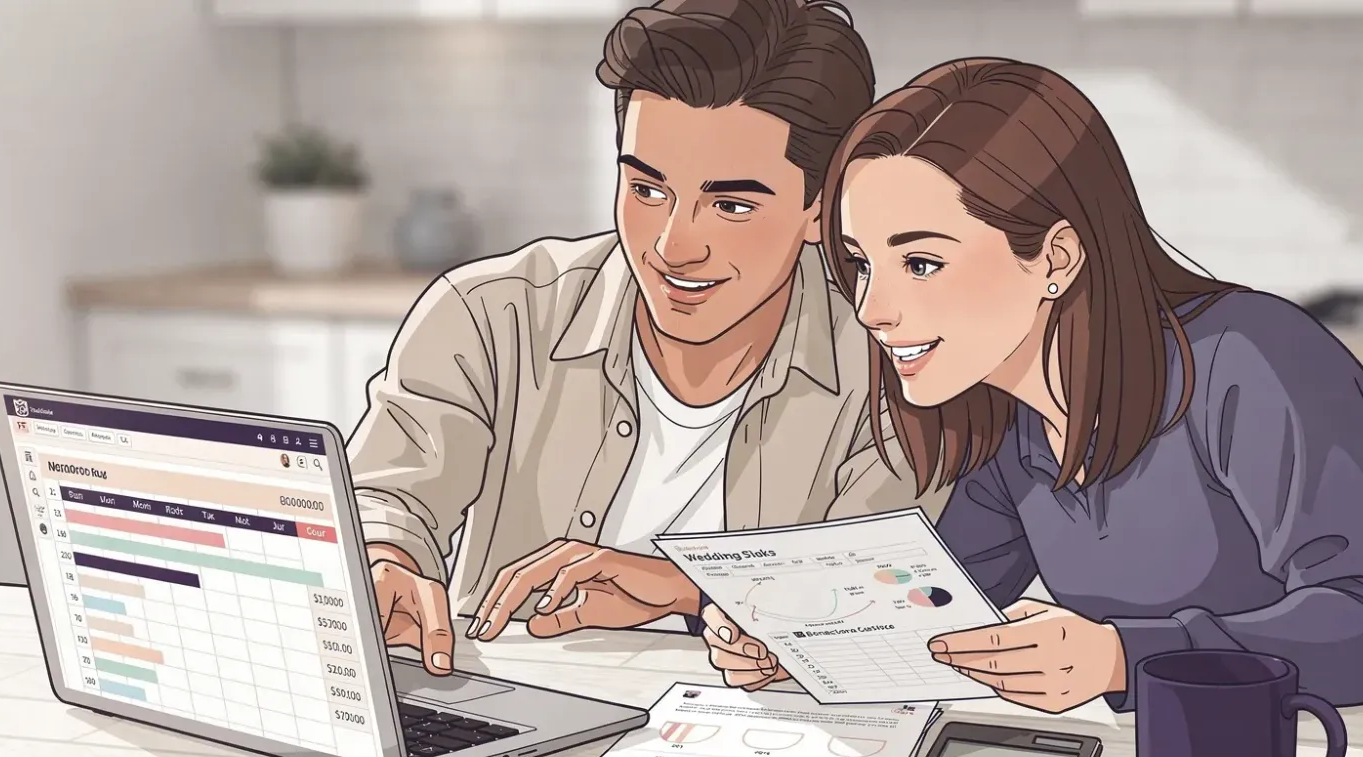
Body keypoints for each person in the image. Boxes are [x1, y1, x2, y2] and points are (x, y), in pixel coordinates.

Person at [702, 58, 1363, 712]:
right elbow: (950, 612)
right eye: (860, 263)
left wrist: (1125, 656)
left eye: (921, 262)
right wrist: (801, 642)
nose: (874, 308)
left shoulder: (1249, 359)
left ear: (1055, 257)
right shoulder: (1007, 418)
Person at [347, 0, 947, 677]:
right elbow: (385, 499)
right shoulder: (493, 314)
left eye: (731, 205)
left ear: (821, 206)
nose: (672, 245)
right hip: (510, 720)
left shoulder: (892, 358)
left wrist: (690, 588)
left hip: (772, 740)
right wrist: (384, 561)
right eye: (647, 188)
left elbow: (886, 600)